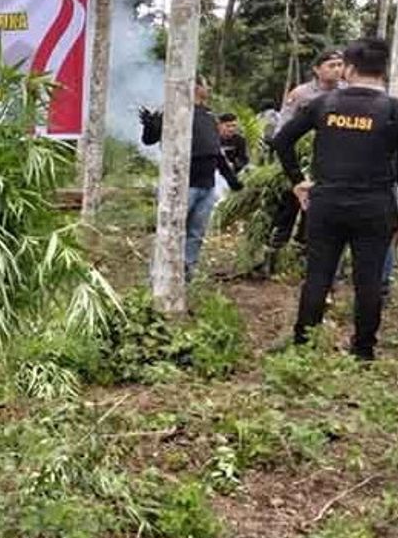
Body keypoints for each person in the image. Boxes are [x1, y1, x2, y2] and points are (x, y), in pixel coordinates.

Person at [271, 38, 398, 362]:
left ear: (350, 69)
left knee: (318, 274)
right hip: (375, 204)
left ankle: (303, 343)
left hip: (326, 202)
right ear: (383, 71)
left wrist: (298, 182)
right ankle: (364, 350)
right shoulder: (392, 109)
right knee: (368, 279)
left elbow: (282, 140)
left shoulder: (324, 104)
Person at [140, 78, 243, 281]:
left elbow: (216, 153)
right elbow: (149, 140)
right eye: (206, 84)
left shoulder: (209, 116)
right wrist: (150, 125)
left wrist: (231, 179)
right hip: (182, 185)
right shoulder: (175, 110)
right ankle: (158, 275)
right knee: (170, 230)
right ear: (195, 87)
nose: (209, 88)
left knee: (196, 233)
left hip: (206, 187)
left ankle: (186, 272)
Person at [258, 50, 345, 276]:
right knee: (287, 210)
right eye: (331, 65)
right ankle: (271, 258)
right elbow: (283, 131)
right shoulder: (301, 94)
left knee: (316, 217)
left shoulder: (347, 93)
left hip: (329, 166)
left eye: (340, 65)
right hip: (296, 162)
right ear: (317, 69)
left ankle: (306, 259)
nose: (337, 69)